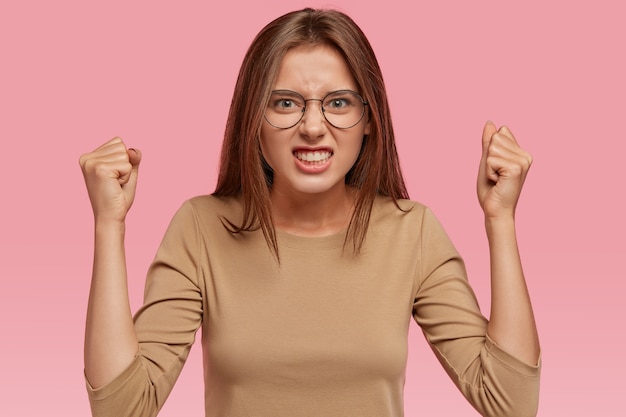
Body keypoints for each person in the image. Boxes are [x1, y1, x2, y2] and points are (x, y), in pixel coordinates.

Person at [79, 8, 540, 417]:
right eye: (285, 103)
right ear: (252, 119)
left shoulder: (411, 230)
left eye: (338, 103)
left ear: (369, 121)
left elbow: (511, 403)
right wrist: (108, 224)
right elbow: (122, 408)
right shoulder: (201, 228)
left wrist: (500, 220)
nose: (314, 127)